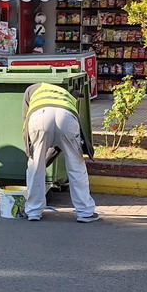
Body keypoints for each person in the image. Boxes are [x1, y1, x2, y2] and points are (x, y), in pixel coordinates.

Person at [22, 82, 99, 222]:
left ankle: (33, 211)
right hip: (66, 115)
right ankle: (85, 212)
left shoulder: (30, 91)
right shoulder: (64, 94)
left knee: (34, 167)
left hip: (39, 116)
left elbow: (25, 122)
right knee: (76, 167)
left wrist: (35, 156)